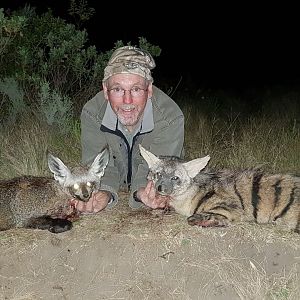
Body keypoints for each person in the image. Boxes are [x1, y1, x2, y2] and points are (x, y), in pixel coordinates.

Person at [74, 45, 184, 213]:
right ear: (105, 90)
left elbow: (159, 169)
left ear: (149, 90)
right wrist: (104, 192)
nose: (127, 101)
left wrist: (141, 192)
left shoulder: (170, 117)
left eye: (136, 89)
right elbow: (97, 166)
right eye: (117, 89)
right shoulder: (92, 113)